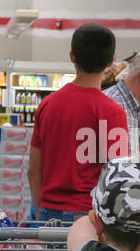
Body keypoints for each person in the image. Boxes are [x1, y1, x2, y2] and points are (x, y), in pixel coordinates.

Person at [29, 23, 129, 223]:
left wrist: (42, 211)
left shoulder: (47, 105)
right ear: (111, 61)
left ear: (72, 56)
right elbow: (117, 176)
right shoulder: (113, 112)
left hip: (49, 211)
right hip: (89, 215)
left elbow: (34, 169)